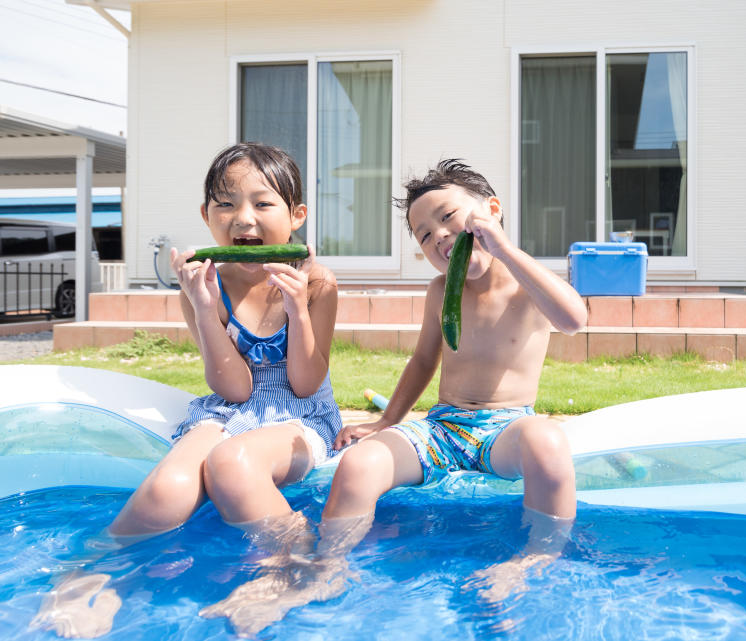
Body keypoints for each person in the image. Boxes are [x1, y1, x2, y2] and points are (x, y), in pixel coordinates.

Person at [205, 158, 588, 635]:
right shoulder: (438, 291)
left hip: (506, 427)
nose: (439, 236)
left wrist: (506, 250)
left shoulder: (529, 282)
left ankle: (533, 561)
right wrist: (385, 422)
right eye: (424, 235)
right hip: (444, 427)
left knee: (548, 443)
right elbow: (424, 362)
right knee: (360, 464)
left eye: (447, 218)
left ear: (491, 210)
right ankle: (327, 567)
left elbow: (574, 318)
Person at [31, 142, 343, 638]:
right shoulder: (206, 285)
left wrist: (299, 308)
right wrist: (201, 306)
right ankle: (94, 573)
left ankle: (296, 568)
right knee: (165, 488)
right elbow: (234, 389)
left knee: (233, 466)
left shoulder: (317, 282)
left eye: (263, 204)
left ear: (296, 216)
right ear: (206, 215)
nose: (244, 218)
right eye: (226, 203)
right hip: (229, 406)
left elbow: (306, 384)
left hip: (300, 414)